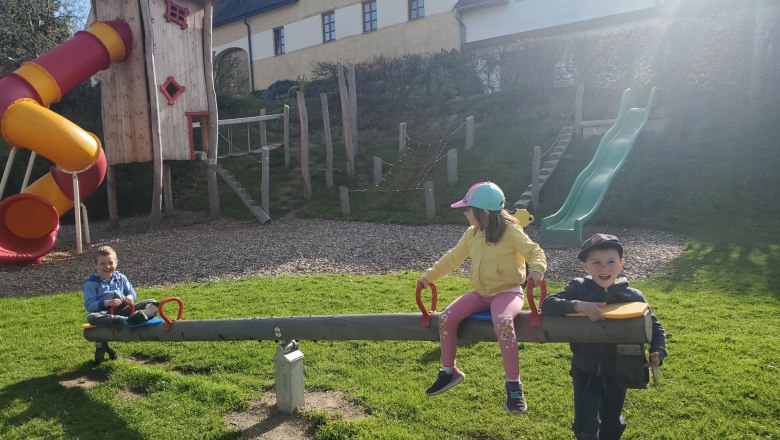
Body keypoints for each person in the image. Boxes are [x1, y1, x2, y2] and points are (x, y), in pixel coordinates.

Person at [417, 181, 547, 414]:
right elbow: (452, 258)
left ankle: (514, 385)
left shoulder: (511, 232)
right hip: (480, 293)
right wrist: (428, 277)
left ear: (484, 212)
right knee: (446, 318)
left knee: (504, 322)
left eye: (468, 209)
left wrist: (537, 269)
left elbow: (534, 251)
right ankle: (449, 371)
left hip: (507, 292)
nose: (466, 213)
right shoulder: (472, 233)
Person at [540, 233, 667, 440]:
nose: (604, 268)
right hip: (584, 370)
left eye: (610, 262)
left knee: (611, 422)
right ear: (585, 266)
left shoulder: (633, 296)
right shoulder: (579, 288)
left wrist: (657, 351)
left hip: (618, 371)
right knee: (584, 425)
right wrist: (578, 305)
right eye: (596, 262)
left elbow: (654, 326)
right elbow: (547, 304)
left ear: (621, 264)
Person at [83, 245, 156, 328]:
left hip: (124, 309)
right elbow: (89, 305)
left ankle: (139, 316)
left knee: (152, 302)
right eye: (102, 264)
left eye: (111, 263)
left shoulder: (121, 278)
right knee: (92, 317)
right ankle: (125, 321)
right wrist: (106, 303)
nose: (107, 266)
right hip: (105, 313)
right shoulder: (92, 283)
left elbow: (131, 292)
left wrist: (130, 297)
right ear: (96, 265)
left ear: (116, 263)